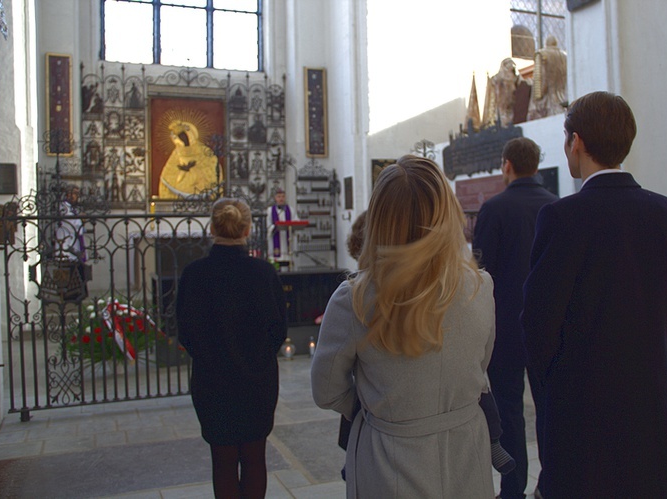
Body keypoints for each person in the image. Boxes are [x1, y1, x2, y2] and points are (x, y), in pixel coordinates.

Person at [521, 91, 667, 498]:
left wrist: (553, 393)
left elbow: (538, 325)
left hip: (583, 415)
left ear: (575, 142)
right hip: (651, 410)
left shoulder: (563, 217)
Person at [311, 155, 499, 498]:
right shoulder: (480, 286)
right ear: (447, 213)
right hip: (465, 452)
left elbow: (326, 389)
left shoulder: (355, 298)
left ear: (379, 218)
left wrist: (381, 405)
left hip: (390, 460)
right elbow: (480, 365)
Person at [177, 198, 287, 499]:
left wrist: (210, 356)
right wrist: (257, 357)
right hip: (257, 382)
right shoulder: (263, 273)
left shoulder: (195, 274)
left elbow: (184, 332)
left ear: (211, 227)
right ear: (248, 229)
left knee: (223, 462)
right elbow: (278, 329)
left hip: (212, 381)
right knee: (254, 458)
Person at [472, 137, 558, 499]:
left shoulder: (495, 209)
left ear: (506, 165)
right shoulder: (556, 208)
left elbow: (481, 271)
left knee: (508, 415)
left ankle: (512, 490)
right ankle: (550, 484)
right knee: (550, 410)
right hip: (548, 327)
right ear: (536, 165)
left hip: (505, 328)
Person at [159, 120, 222, 199]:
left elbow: (211, 165)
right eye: (179, 137)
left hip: (200, 186)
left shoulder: (203, 151)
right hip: (181, 189)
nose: (182, 139)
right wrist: (183, 170)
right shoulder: (177, 153)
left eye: (183, 136)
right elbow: (170, 172)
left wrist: (195, 168)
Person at [266, 188, 298, 265]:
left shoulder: (290, 210)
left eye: (283, 196)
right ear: (275, 198)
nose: (281, 199)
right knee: (276, 264)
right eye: (279, 197)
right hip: (276, 240)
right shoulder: (270, 210)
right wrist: (274, 227)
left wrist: (292, 226)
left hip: (287, 241)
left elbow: (296, 221)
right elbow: (268, 225)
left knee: (288, 263)